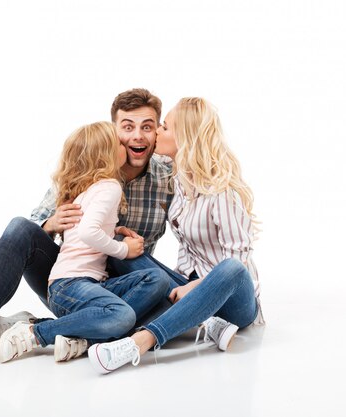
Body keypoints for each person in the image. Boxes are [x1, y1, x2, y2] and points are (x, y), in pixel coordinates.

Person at [0, 88, 176, 374]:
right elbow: (36, 225)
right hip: (71, 284)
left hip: (126, 291)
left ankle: (61, 333)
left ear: (158, 131)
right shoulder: (88, 168)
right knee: (21, 228)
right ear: (114, 131)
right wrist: (51, 225)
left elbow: (192, 232)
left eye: (147, 127)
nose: (138, 136)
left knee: (170, 300)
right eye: (128, 127)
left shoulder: (168, 176)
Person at [88, 97, 265, 374]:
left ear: (186, 138)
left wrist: (191, 288)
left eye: (165, 128)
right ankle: (205, 322)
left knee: (230, 268)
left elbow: (239, 262)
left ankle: (140, 341)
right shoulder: (179, 182)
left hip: (234, 298)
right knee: (124, 251)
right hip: (190, 285)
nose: (155, 132)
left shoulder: (222, 191)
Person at [0, 121, 168, 364]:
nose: (125, 145)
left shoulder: (91, 189)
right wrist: (123, 249)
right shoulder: (110, 186)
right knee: (123, 315)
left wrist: (113, 230)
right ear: (105, 154)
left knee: (157, 278)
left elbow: (86, 231)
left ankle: (82, 337)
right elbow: (87, 232)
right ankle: (37, 333)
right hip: (71, 285)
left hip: (84, 286)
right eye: (118, 143)